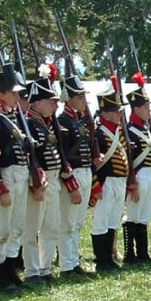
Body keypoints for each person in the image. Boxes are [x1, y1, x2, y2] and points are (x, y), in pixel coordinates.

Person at [0, 62, 30, 292]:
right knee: (2, 228)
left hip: (21, 175)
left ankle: (11, 269)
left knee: (17, 227)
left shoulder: (15, 117)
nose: (17, 96)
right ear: (1, 94)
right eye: (13, 92)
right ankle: (0, 273)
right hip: (6, 175)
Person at [21, 65, 64, 285]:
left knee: (51, 226)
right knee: (32, 228)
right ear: (37, 101)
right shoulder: (28, 123)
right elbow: (30, 157)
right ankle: (32, 270)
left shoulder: (45, 125)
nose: (55, 105)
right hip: (39, 181)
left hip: (53, 180)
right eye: (51, 101)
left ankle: (45, 267)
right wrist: (34, 185)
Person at [91, 78, 135, 272]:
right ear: (106, 113)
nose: (120, 115)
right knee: (101, 222)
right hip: (106, 181)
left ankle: (109, 258)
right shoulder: (99, 133)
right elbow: (93, 163)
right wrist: (96, 187)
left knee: (112, 221)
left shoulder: (118, 131)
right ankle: (101, 260)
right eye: (117, 111)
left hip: (119, 182)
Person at [55, 74, 93, 277]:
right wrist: (71, 184)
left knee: (77, 223)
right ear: (69, 98)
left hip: (85, 172)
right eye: (79, 97)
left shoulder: (80, 121)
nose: (83, 101)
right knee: (67, 223)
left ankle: (74, 260)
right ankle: (67, 265)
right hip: (73, 175)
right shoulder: (62, 121)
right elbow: (63, 156)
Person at [123, 75, 151, 265]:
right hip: (138, 175)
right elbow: (129, 159)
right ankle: (130, 254)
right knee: (133, 215)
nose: (149, 110)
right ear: (136, 108)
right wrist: (132, 183)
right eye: (146, 106)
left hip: (149, 174)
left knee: (143, 216)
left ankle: (143, 253)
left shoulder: (145, 129)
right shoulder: (130, 130)